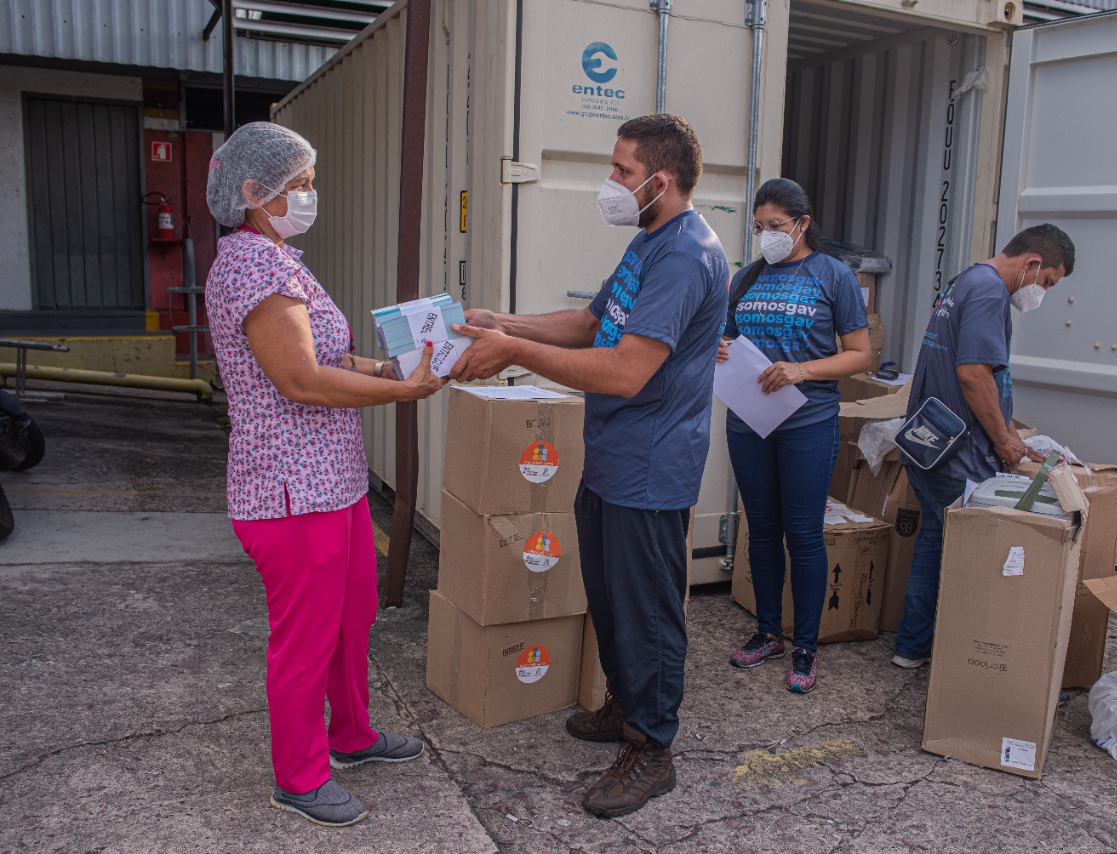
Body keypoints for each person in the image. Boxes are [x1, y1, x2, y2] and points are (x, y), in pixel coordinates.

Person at [449, 114, 728, 817]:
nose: (611, 183)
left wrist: (512, 354)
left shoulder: (687, 254)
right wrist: (506, 324)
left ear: (659, 181)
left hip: (651, 465)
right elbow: (591, 323)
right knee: (609, 599)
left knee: (648, 612)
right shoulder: (648, 241)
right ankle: (625, 706)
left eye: (621, 171)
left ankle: (652, 747)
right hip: (611, 458)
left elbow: (626, 369)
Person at [204, 122, 447, 827]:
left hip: (332, 482)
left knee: (352, 617)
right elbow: (303, 380)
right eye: (299, 185)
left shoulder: (283, 257)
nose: (311, 196)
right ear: (255, 192)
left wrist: (392, 367)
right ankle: (300, 776)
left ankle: (352, 736)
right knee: (306, 636)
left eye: (310, 183)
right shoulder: (252, 266)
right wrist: (403, 393)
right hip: (287, 490)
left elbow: (332, 356)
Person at [892, 223, 1075, 669]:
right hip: (958, 455)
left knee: (935, 540)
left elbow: (984, 376)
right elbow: (973, 374)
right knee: (975, 558)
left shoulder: (966, 280)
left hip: (930, 442)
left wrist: (1011, 432)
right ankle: (969, 660)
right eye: (1047, 282)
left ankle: (911, 648)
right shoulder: (991, 291)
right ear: (1032, 264)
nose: (1042, 293)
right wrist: (1003, 442)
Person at [717, 178, 871, 693]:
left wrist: (802, 371)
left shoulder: (834, 276)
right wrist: (721, 348)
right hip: (749, 420)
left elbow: (859, 354)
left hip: (807, 421)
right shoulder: (746, 278)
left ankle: (805, 645)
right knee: (760, 529)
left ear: (803, 224)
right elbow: (728, 336)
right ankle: (767, 631)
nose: (767, 235)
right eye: (760, 226)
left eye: (776, 226)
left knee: (802, 535)